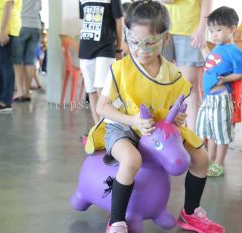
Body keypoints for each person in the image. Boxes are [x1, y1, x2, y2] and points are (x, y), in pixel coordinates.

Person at [91, 1, 225, 232]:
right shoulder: (120, 70)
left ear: (165, 38)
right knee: (131, 160)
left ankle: (190, 213)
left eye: (149, 43)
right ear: (127, 36)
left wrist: (178, 120)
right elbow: (103, 108)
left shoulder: (172, 72)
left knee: (201, 159)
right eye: (134, 42)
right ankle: (116, 220)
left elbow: (176, 107)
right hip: (124, 127)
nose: (141, 49)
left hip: (159, 129)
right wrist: (133, 121)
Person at [196, 7, 242, 177]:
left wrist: (226, 79)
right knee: (211, 131)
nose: (214, 34)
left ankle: (219, 163)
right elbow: (211, 65)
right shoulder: (218, 49)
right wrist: (203, 47)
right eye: (211, 31)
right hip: (209, 98)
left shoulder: (234, 51)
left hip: (221, 98)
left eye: (218, 30)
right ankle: (210, 159)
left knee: (221, 132)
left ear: (232, 29)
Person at [160, 0, 212, 132]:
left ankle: (195, 135)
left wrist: (202, 29)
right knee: (163, 82)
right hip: (161, 27)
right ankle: (168, 131)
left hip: (190, 30)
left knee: (189, 85)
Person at [78, 0, 124, 124]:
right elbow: (83, 22)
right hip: (85, 49)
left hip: (106, 47)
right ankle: (98, 129)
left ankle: (110, 128)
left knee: (104, 90)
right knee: (91, 90)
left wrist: (119, 47)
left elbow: (119, 21)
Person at [0, 0, 22, 112]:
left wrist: (3, 30)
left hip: (2, 29)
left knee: (5, 64)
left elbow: (9, 4)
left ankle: (6, 101)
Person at [12, 0, 41, 102]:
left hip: (21, 25)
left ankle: (19, 90)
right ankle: (27, 92)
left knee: (17, 60)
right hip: (36, 26)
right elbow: (40, 7)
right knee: (30, 60)